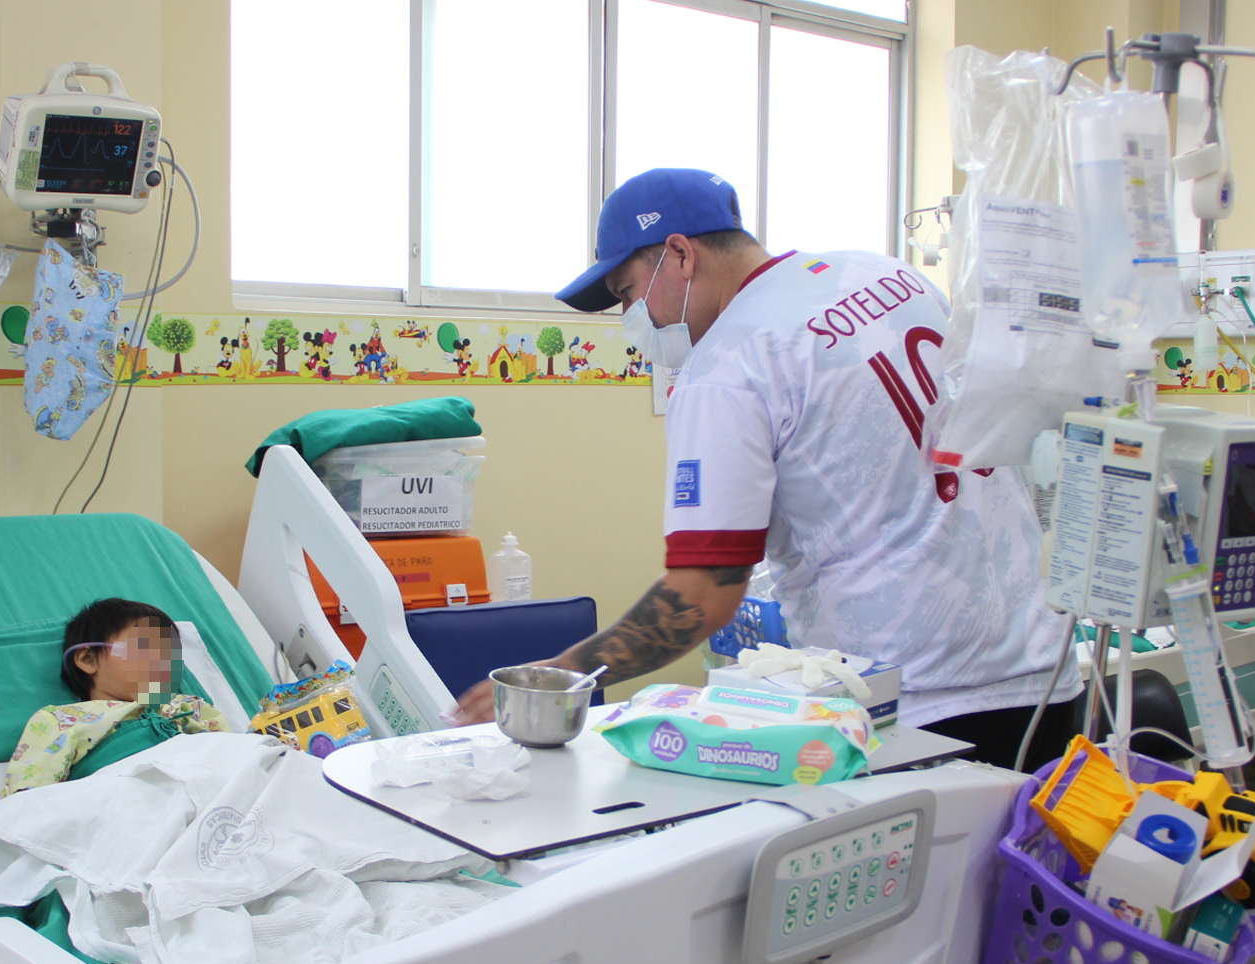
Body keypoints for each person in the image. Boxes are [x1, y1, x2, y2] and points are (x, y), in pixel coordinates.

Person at [453, 168, 1082, 770]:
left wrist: (565, 675)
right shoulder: (888, 274)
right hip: (1046, 673)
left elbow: (701, 594)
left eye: (626, 294)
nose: (632, 323)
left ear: (679, 254)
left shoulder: (728, 366)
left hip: (916, 706)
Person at [2, 598, 226, 796]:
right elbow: (29, 796)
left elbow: (237, 756)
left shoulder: (190, 706)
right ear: (88, 659)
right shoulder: (61, 719)